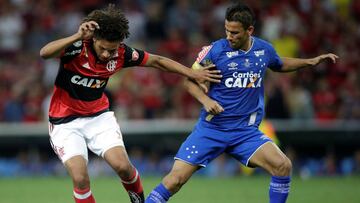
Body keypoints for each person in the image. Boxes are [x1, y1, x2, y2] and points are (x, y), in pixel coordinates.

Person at [145, 2, 338, 203]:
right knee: (175, 180)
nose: (229, 36)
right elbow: (189, 80)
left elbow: (279, 63)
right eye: (227, 30)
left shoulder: (263, 50)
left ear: (249, 30)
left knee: (283, 165)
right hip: (212, 129)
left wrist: (309, 61)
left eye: (235, 32)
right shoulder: (214, 51)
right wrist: (205, 99)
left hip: (245, 132)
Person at [39, 5, 222, 203]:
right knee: (80, 178)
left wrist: (192, 72)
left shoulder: (121, 54)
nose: (107, 55)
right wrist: (76, 36)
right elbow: (44, 53)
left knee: (123, 167)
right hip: (64, 122)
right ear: (93, 39)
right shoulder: (77, 47)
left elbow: (157, 61)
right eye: (103, 48)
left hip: (99, 118)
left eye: (112, 50)